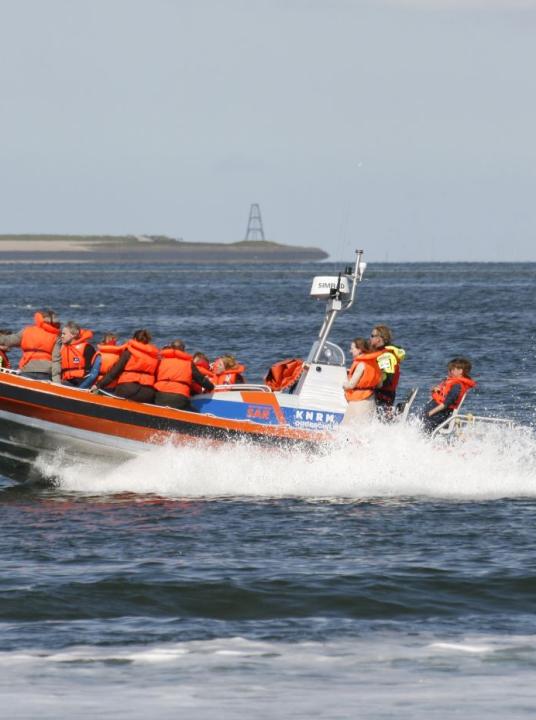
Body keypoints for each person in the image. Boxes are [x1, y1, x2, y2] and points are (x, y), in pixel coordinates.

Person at [96, 328, 158, 403]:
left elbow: (114, 372)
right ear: (148, 340)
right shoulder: (154, 356)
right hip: (148, 392)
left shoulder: (128, 352)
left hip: (127, 389)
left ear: (134, 339)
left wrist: (98, 385)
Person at [0, 310, 61, 381]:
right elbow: (56, 361)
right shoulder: (56, 337)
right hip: (46, 372)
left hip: (27, 369)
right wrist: (56, 381)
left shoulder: (27, 331)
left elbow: (8, 340)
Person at [420, 357, 476, 434]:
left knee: (423, 428)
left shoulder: (457, 386)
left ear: (460, 371)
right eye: (449, 370)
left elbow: (447, 403)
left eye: (452, 370)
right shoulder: (452, 382)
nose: (449, 372)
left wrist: (430, 413)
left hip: (438, 415)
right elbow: (442, 397)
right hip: (434, 414)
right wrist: (437, 390)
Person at [154, 340, 215, 411]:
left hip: (160, 396)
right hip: (179, 398)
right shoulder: (189, 363)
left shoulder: (161, 361)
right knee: (194, 411)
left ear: (171, 348)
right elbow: (200, 379)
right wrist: (211, 387)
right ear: (183, 350)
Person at [342, 338, 382, 424]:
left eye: (352, 348)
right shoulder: (374, 363)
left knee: (346, 428)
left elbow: (351, 385)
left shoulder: (361, 364)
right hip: (371, 400)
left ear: (359, 349)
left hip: (358, 401)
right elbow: (379, 384)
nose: (350, 351)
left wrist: (344, 385)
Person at [369, 324, 406, 413]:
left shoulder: (385, 356)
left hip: (383, 396)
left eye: (372, 336)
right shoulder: (380, 353)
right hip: (380, 394)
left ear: (379, 339)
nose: (370, 338)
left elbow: (387, 379)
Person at [61, 321, 101, 388]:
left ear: (73, 335)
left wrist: (81, 386)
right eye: (61, 334)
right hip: (65, 381)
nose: (61, 336)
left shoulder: (87, 348)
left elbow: (90, 371)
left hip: (80, 382)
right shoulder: (62, 348)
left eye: (64, 334)